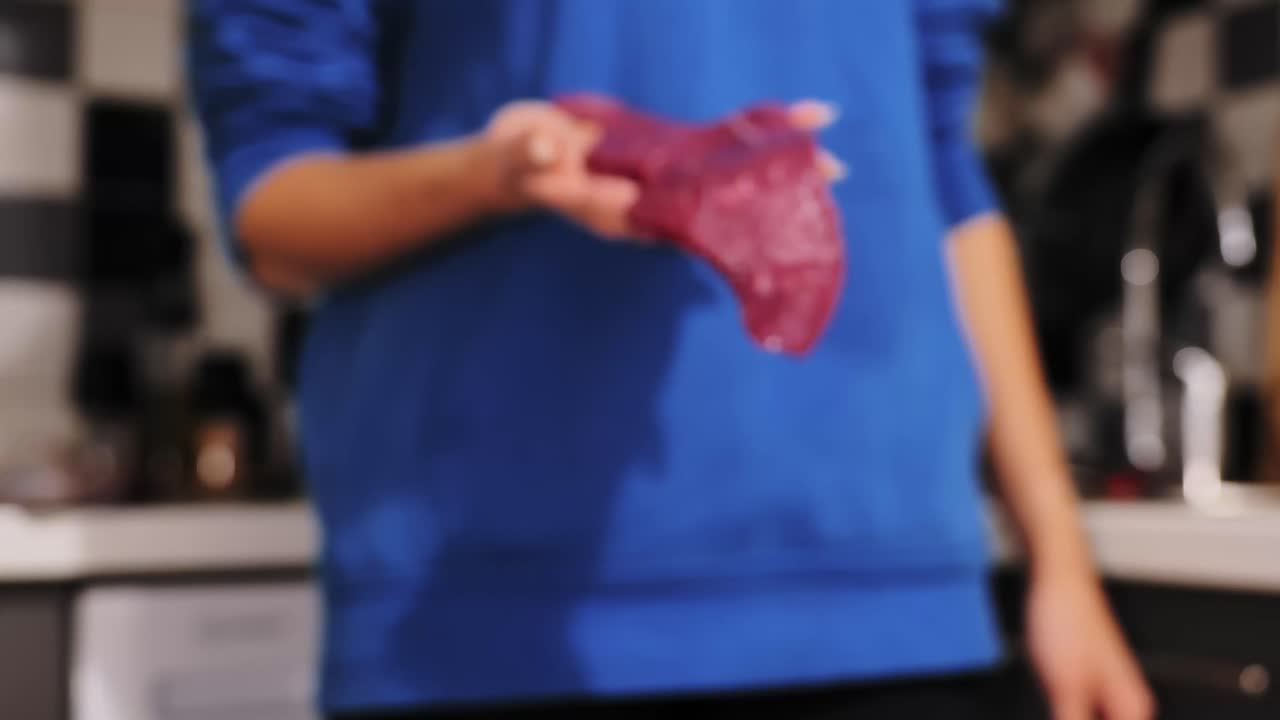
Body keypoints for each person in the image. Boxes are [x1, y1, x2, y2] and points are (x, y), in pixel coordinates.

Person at [188, 1, 1154, 718]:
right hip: (490, 621)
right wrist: (493, 175)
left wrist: (1059, 563)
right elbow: (272, 209)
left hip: (893, 603)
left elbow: (945, 179)